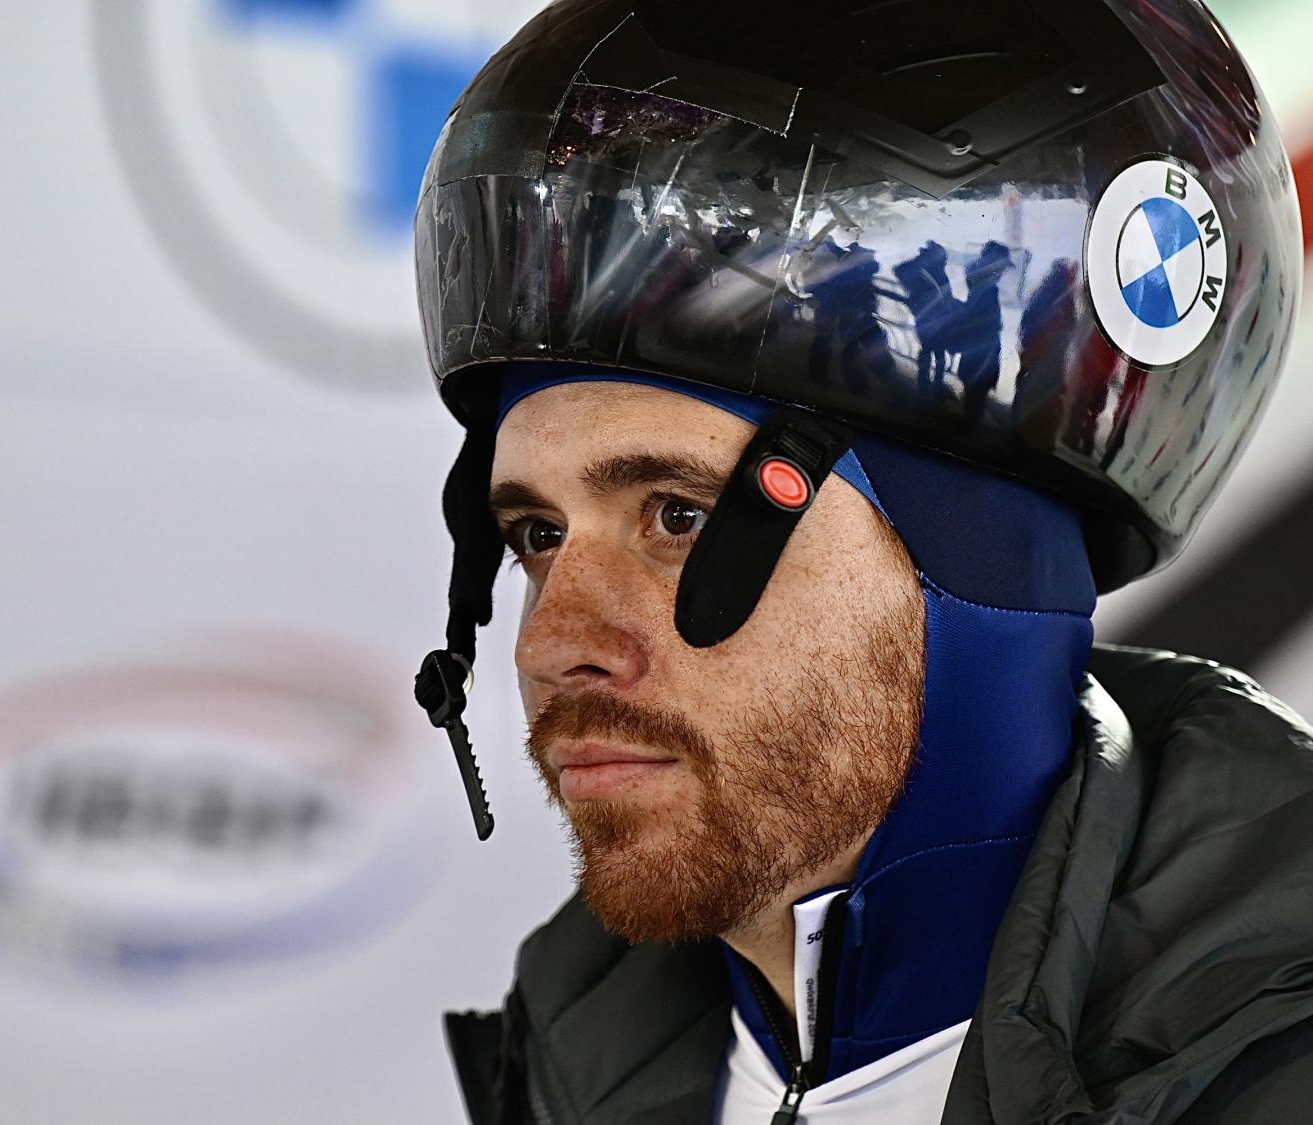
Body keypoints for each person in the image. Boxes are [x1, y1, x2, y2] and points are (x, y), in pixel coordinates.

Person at [407, 1, 1311, 1121]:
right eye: (538, 537)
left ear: (974, 574)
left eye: (678, 518)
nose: (553, 645)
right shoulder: (578, 1056)